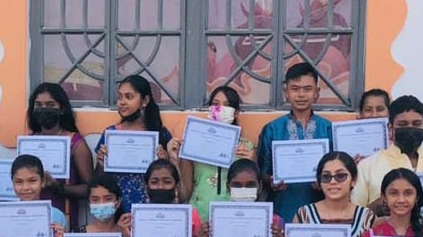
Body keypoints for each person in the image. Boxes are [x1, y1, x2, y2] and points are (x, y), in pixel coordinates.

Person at [257, 62, 332, 237]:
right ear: (286, 92)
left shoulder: (328, 129)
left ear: (317, 93)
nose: (301, 94)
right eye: (296, 89)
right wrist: (271, 181)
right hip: (285, 220)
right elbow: (260, 171)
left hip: (321, 223)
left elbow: (338, 173)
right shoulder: (272, 130)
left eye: (308, 89)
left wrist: (323, 182)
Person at [352, 95, 423, 229]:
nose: (410, 129)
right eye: (402, 125)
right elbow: (354, 219)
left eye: (416, 124)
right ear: (390, 129)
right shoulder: (367, 166)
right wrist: (375, 208)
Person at [94, 75, 181, 209]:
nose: (122, 102)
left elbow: (173, 180)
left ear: (145, 100)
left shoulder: (160, 134)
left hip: (151, 208)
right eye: (120, 97)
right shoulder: (110, 134)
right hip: (118, 210)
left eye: (129, 97)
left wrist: (163, 162)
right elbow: (98, 180)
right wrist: (100, 164)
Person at [182, 86, 256, 222]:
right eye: (215, 104)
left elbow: (254, 188)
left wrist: (252, 161)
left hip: (233, 215)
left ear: (236, 113)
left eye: (227, 105)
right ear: (209, 109)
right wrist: (181, 156)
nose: (220, 109)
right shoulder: (194, 144)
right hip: (200, 213)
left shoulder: (247, 147)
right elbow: (185, 190)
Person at [26, 83, 94, 221]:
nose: (44, 109)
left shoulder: (76, 143)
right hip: (31, 216)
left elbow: (89, 189)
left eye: (50, 105)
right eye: (38, 105)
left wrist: (58, 187)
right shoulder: (28, 142)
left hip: (63, 216)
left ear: (62, 109)